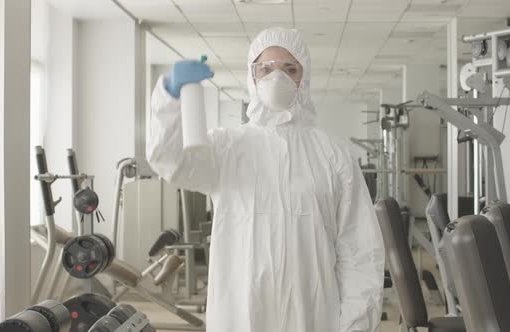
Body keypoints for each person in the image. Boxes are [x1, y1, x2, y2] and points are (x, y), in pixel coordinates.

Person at [147, 27, 385, 332]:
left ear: (304, 76)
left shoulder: (334, 154)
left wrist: (355, 324)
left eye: (290, 68)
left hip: (312, 314)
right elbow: (170, 162)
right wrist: (169, 94)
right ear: (253, 76)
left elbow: (359, 248)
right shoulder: (226, 148)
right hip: (241, 313)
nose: (277, 78)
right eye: (266, 68)